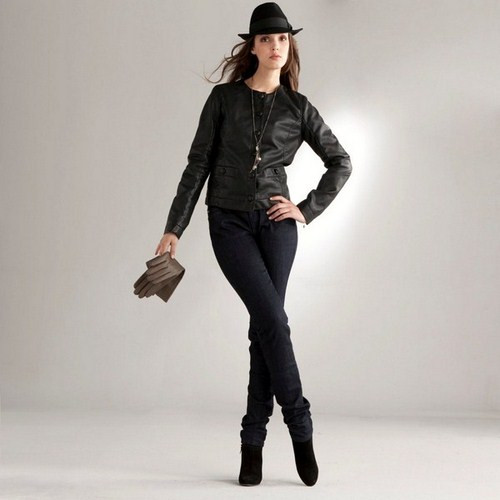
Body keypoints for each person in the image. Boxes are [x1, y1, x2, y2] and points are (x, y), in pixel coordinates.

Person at [155, 2, 352, 487]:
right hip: (228, 223)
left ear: (289, 46)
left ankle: (252, 444)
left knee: (264, 329)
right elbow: (198, 165)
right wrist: (174, 227)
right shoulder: (223, 99)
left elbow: (341, 162)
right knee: (273, 322)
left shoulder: (298, 107)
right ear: (254, 47)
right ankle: (301, 426)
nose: (276, 46)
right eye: (267, 39)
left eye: (283, 39)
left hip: (277, 226)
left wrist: (304, 209)